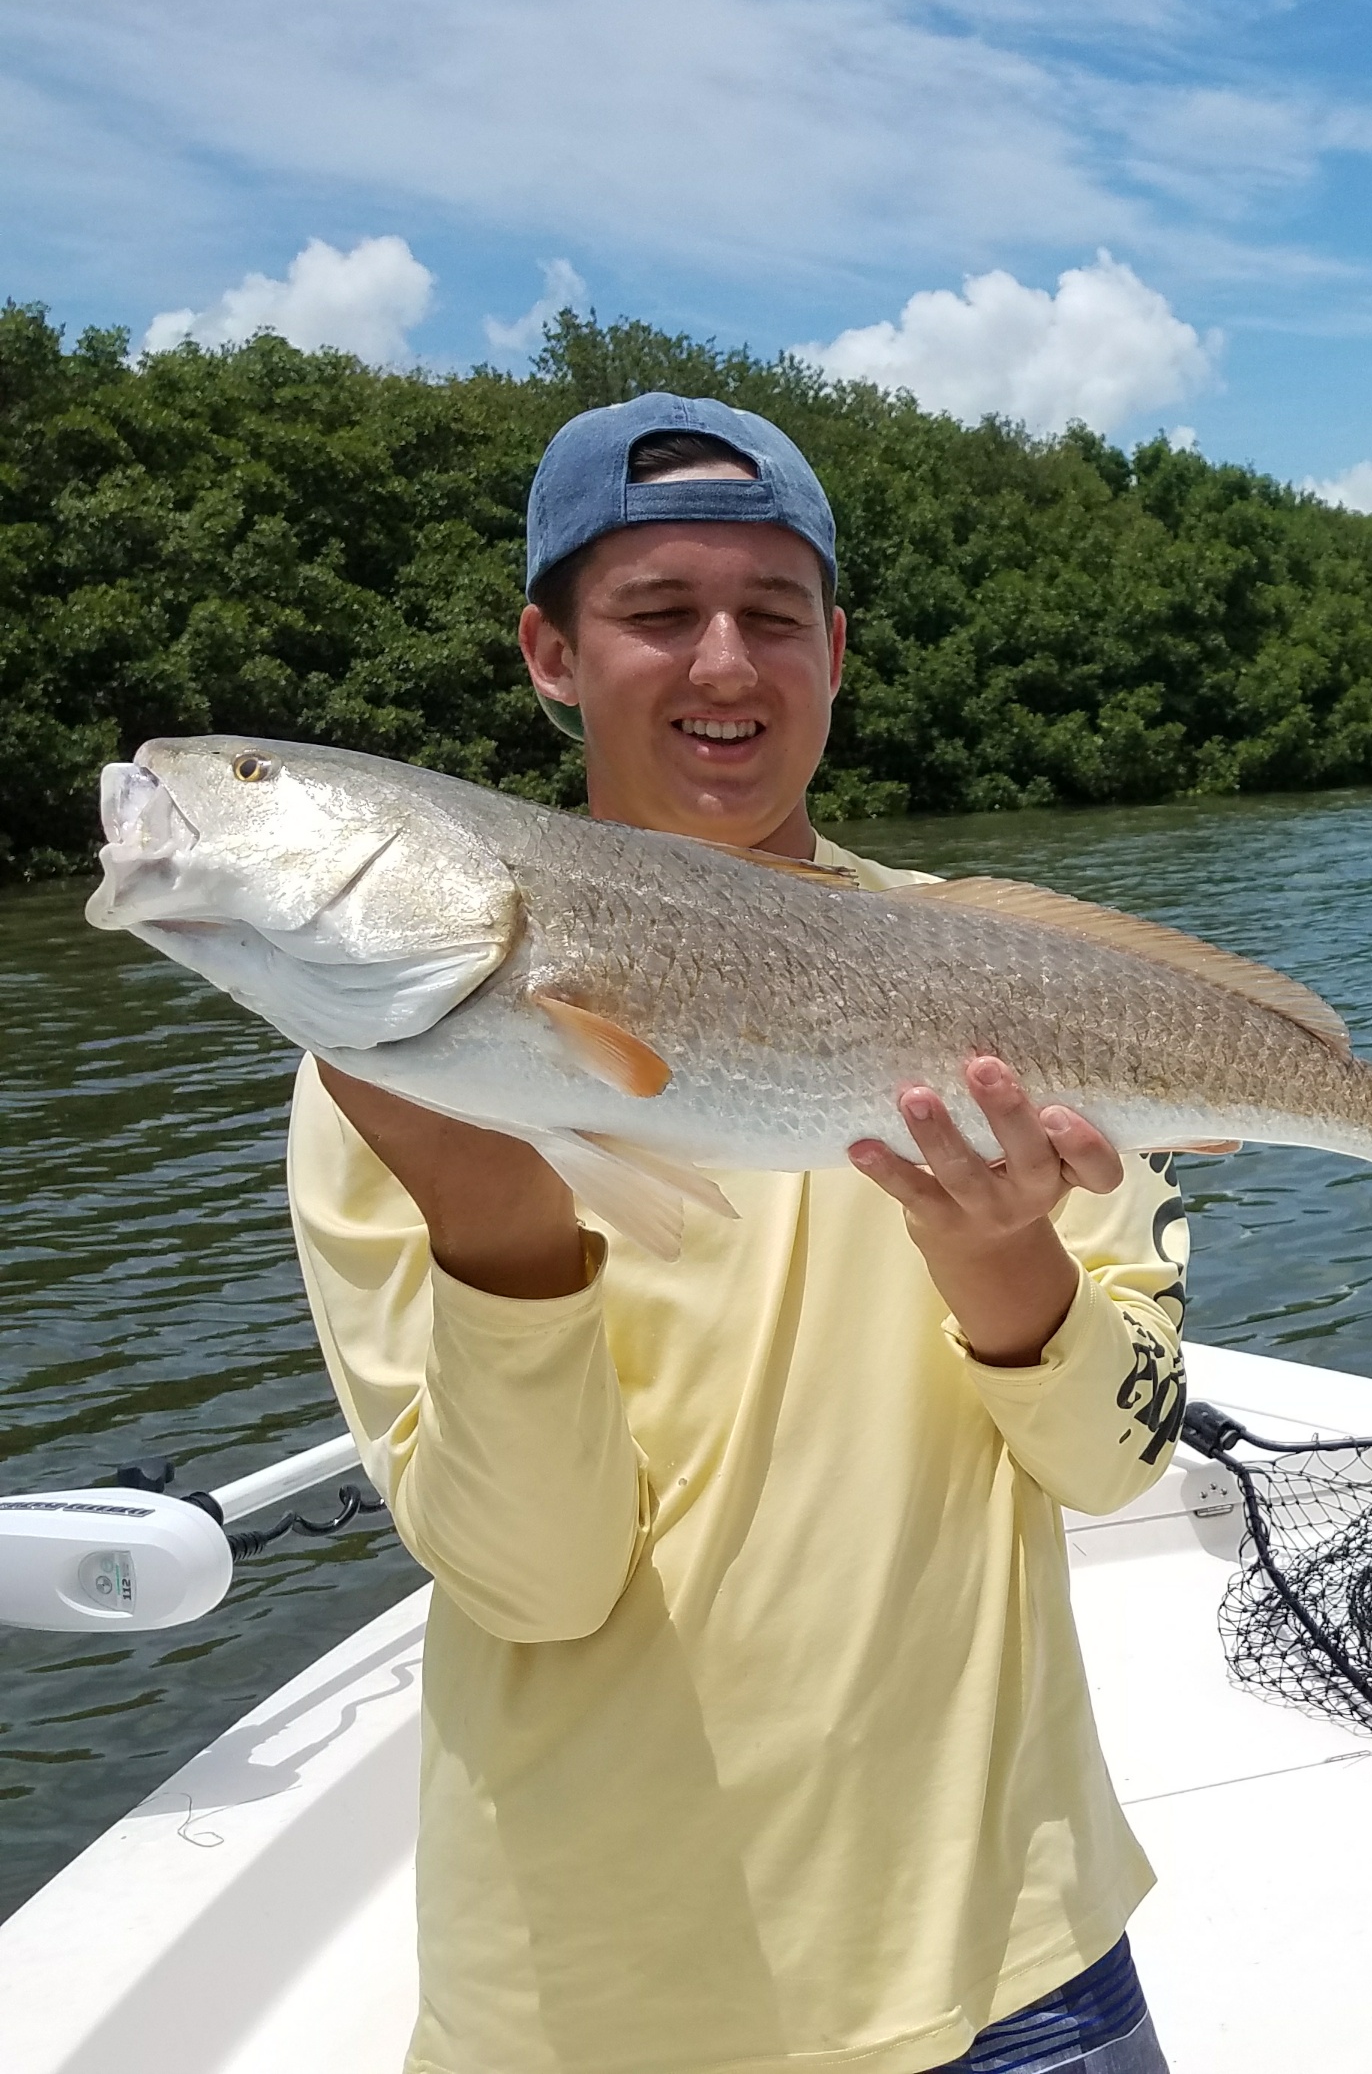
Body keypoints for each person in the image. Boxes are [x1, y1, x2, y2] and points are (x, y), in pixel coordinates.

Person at [289, 394, 1190, 2074]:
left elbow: (1116, 1462)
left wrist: (1007, 1274)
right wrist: (500, 1234)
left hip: (1018, 1962)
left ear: (837, 649)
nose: (724, 666)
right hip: (592, 2008)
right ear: (550, 655)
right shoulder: (391, 1066)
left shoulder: (1010, 990)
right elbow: (537, 1586)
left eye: (772, 616)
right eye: (653, 615)